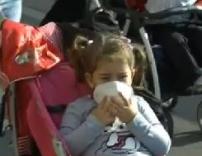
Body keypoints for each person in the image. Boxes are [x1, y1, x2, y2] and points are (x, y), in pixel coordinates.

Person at [60, 33, 171, 156]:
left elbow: (163, 147)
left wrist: (133, 119)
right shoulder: (79, 108)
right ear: (90, 80)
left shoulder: (139, 104)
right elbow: (63, 149)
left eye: (122, 77)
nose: (115, 84)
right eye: (105, 78)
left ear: (132, 76)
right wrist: (95, 122)